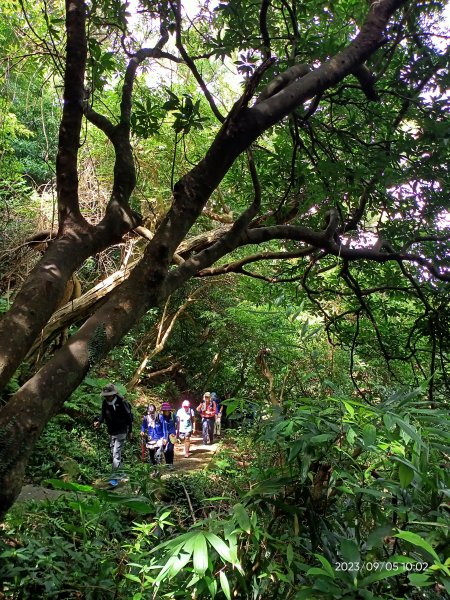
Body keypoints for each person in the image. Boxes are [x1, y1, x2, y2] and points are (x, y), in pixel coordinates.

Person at [94, 383, 133, 472]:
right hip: (111, 431)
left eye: (109, 396)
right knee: (114, 452)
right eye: (106, 396)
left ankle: (115, 476)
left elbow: (128, 416)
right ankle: (121, 472)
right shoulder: (105, 403)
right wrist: (99, 422)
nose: (107, 397)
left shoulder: (122, 402)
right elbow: (103, 414)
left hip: (122, 430)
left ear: (113, 394)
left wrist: (130, 431)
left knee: (116, 453)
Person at [160, 402, 177, 466]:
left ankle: (171, 463)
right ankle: (167, 463)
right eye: (165, 410)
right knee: (165, 450)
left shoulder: (173, 415)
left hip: (172, 435)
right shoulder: (161, 417)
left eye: (167, 410)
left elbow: (177, 423)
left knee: (170, 449)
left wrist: (177, 433)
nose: (166, 412)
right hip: (164, 435)